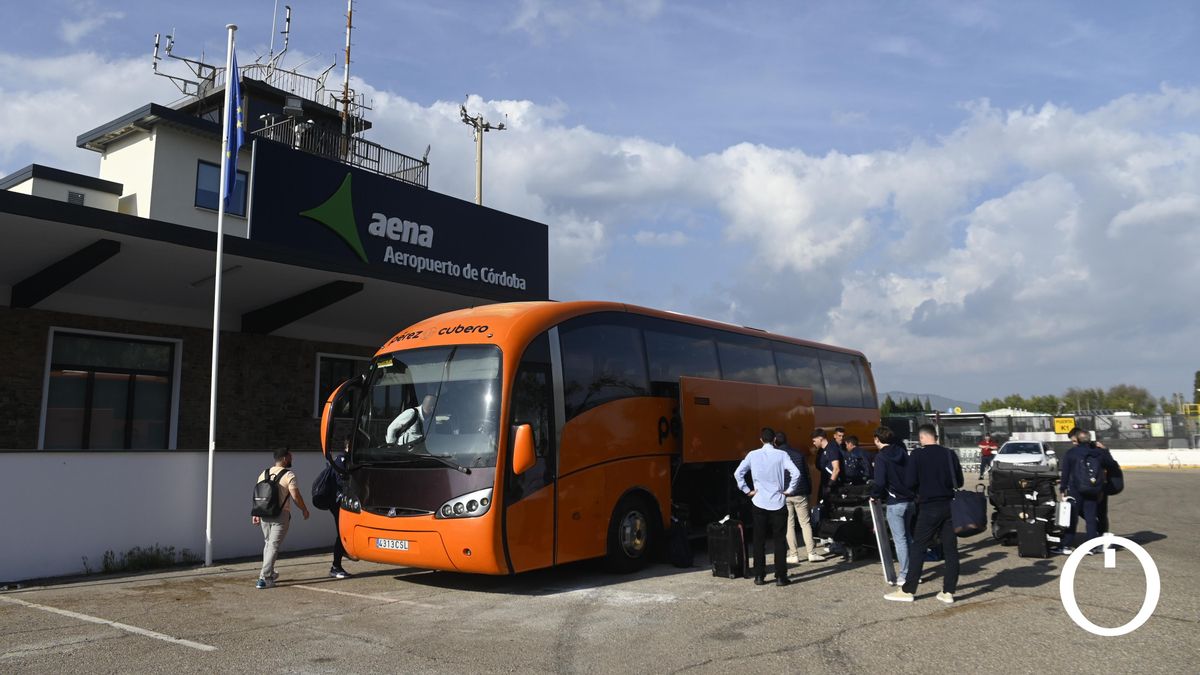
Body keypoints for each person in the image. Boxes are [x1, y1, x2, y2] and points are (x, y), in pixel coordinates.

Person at [885, 424, 962, 604]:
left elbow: (910, 481)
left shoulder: (918, 455)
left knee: (918, 547)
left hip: (928, 506)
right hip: (949, 506)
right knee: (951, 549)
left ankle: (908, 589)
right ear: (935, 436)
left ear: (921, 438)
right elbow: (959, 480)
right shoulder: (949, 454)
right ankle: (948, 591)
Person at [734, 427, 803, 586]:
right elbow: (796, 473)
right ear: (774, 440)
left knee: (758, 540)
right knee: (779, 540)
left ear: (760, 439)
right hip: (778, 502)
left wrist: (747, 490)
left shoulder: (752, 455)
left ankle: (759, 575)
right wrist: (790, 490)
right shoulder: (781, 455)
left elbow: (738, 473)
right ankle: (780, 576)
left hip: (759, 501)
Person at [252, 448, 310, 589]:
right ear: (284, 458)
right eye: (290, 457)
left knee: (268, 544)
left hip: (264, 514)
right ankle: (264, 578)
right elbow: (295, 496)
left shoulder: (263, 473)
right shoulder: (288, 475)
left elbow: (258, 496)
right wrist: (304, 509)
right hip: (280, 514)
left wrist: (255, 513)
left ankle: (270, 572)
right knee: (273, 545)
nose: (292, 459)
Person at [1059, 428, 1120, 555]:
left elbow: (1065, 472)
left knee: (1072, 518)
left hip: (1076, 489)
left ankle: (1066, 545)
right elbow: (1111, 464)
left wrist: (1063, 488)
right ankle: (1091, 546)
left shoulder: (1071, 453)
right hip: (1094, 490)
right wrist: (1104, 450)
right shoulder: (1098, 452)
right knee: (1091, 518)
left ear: (1078, 440)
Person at [871, 427, 915, 586]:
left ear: (877, 439)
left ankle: (905, 574)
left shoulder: (881, 458)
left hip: (895, 501)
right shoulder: (902, 452)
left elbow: (880, 482)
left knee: (900, 539)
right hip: (910, 499)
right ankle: (914, 571)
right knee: (909, 537)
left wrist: (874, 495)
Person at [774, 431, 824, 564]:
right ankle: (811, 553)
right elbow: (806, 474)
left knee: (789, 524)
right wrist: (809, 491)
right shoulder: (798, 454)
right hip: (800, 493)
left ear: (775, 443)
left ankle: (793, 554)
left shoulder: (776, 457)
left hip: (784, 494)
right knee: (805, 523)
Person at [328, 440, 353, 579]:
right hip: (338, 503)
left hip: (343, 502)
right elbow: (341, 481)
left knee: (343, 533)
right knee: (341, 533)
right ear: (347, 446)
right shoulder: (341, 460)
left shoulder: (348, 459)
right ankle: (335, 567)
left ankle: (341, 555)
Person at [814, 429, 842, 501]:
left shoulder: (832, 448)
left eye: (814, 441)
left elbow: (836, 469)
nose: (813, 443)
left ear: (820, 439)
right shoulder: (821, 451)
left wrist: (829, 485)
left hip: (832, 486)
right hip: (824, 483)